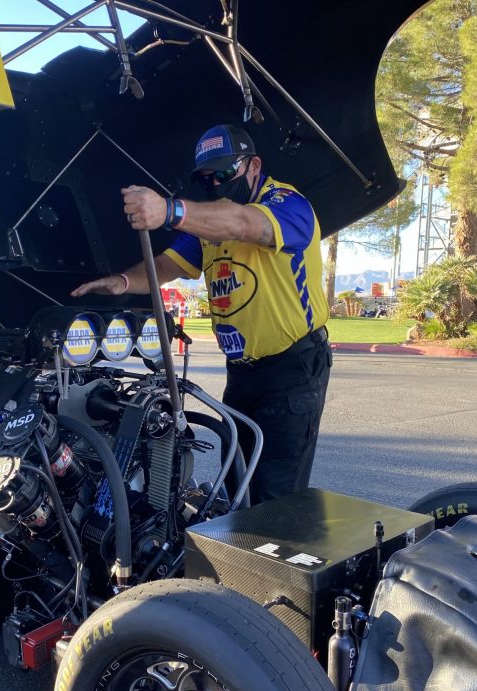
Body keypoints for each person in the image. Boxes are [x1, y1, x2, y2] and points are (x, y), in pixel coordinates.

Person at [72, 124, 332, 504]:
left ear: (254, 166)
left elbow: (244, 223)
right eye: (207, 179)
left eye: (225, 174)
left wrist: (169, 210)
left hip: (292, 370)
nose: (216, 185)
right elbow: (166, 264)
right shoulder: (206, 228)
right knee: (237, 482)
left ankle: (272, 560)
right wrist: (123, 282)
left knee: (275, 498)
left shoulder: (288, 205)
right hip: (241, 373)